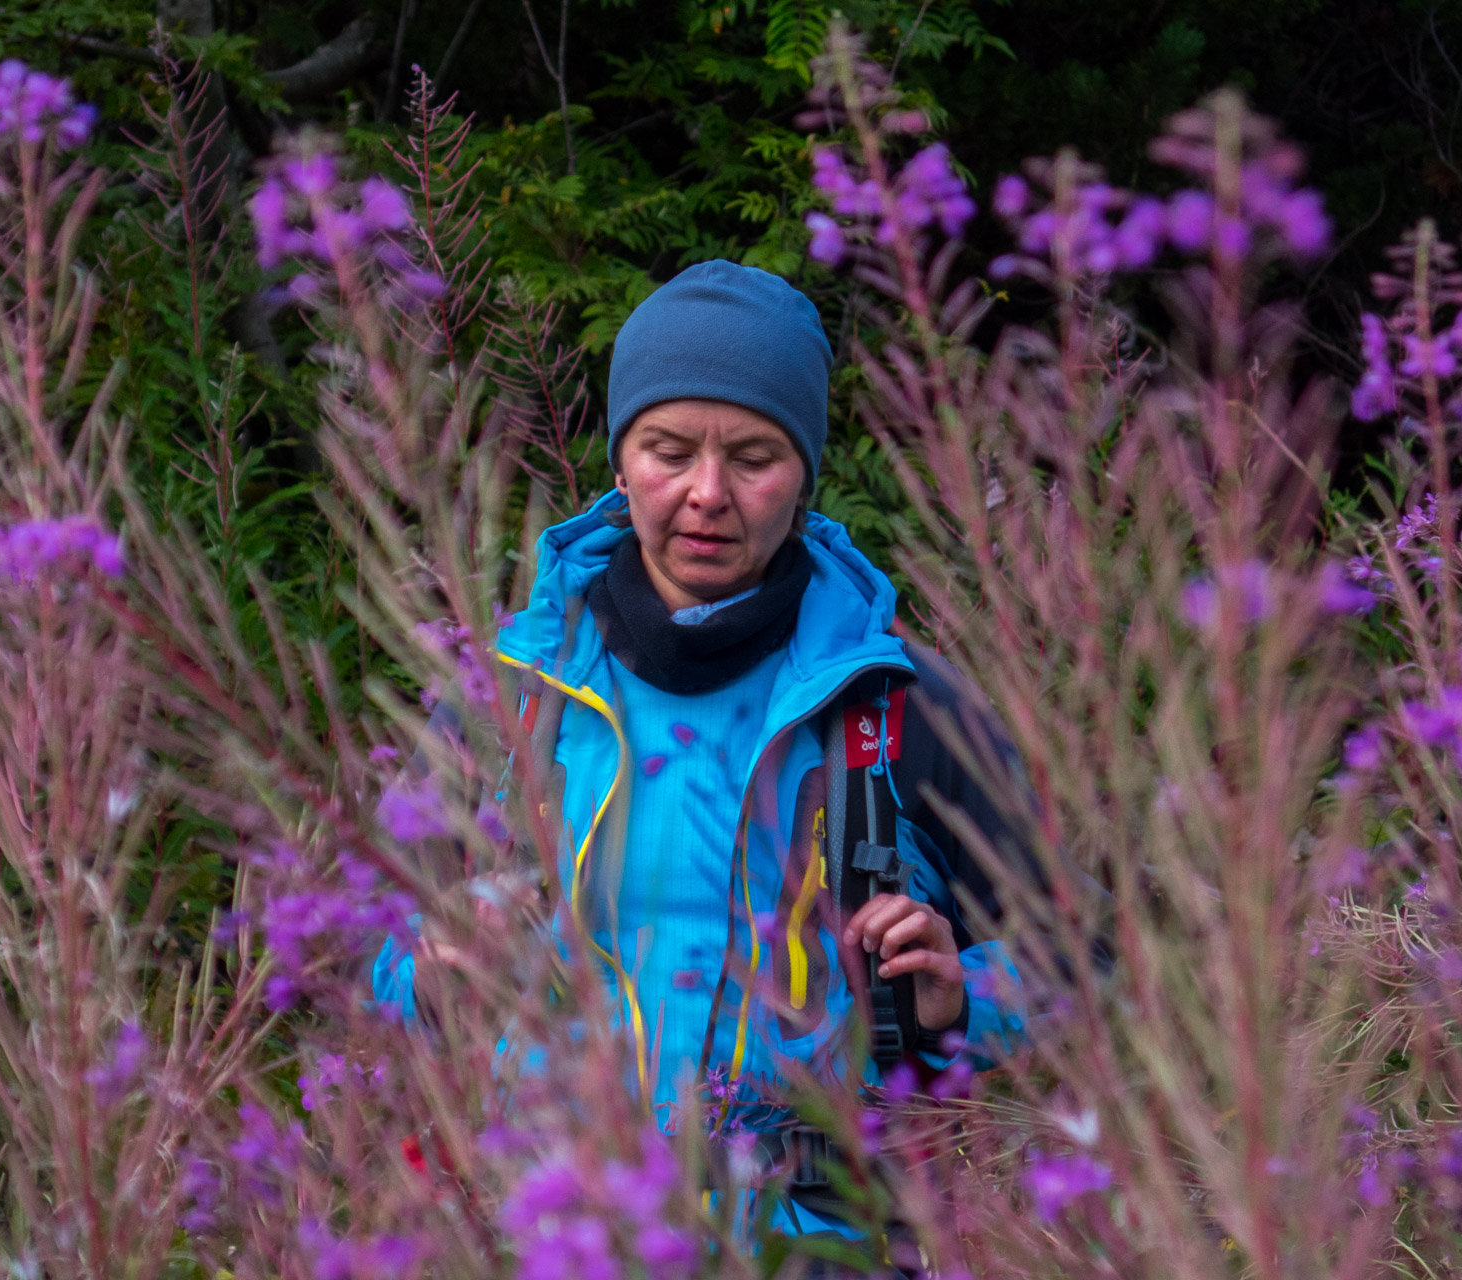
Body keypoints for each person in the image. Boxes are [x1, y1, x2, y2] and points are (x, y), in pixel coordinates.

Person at [372, 259, 1027, 1242]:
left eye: (754, 454)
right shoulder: (506, 699)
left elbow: (1096, 950)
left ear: (805, 469)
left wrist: (961, 1001)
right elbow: (361, 937)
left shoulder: (900, 706)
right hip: (550, 1233)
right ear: (620, 458)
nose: (707, 492)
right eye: (667, 448)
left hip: (814, 1243)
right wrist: (420, 976)